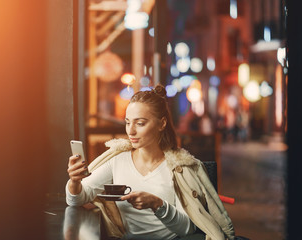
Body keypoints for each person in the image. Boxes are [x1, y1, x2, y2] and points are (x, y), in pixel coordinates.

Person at [66, 85, 235, 240]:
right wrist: (74, 181)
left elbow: (187, 229)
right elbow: (76, 199)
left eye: (140, 123)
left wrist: (158, 205)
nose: (131, 131)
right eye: (127, 123)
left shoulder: (179, 168)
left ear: (161, 124)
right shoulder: (118, 160)